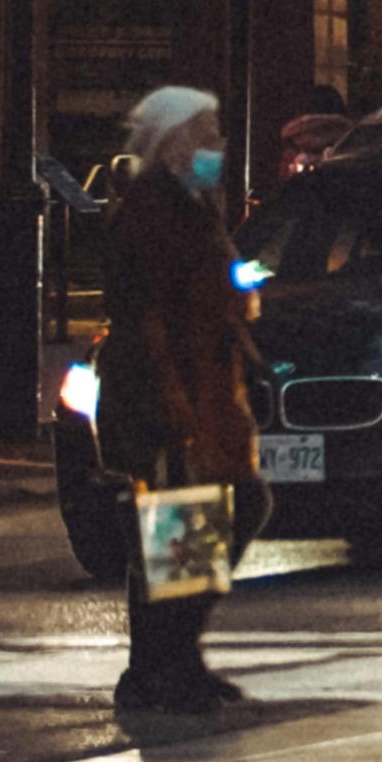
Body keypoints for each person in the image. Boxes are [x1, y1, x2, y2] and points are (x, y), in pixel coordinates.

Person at [91, 86, 258, 719]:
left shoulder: (192, 203)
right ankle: (160, 667)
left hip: (203, 387)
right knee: (181, 531)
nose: (217, 144)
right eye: (207, 132)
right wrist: (173, 401)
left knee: (200, 525)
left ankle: (171, 661)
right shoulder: (152, 210)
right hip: (166, 393)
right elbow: (149, 316)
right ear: (174, 140)